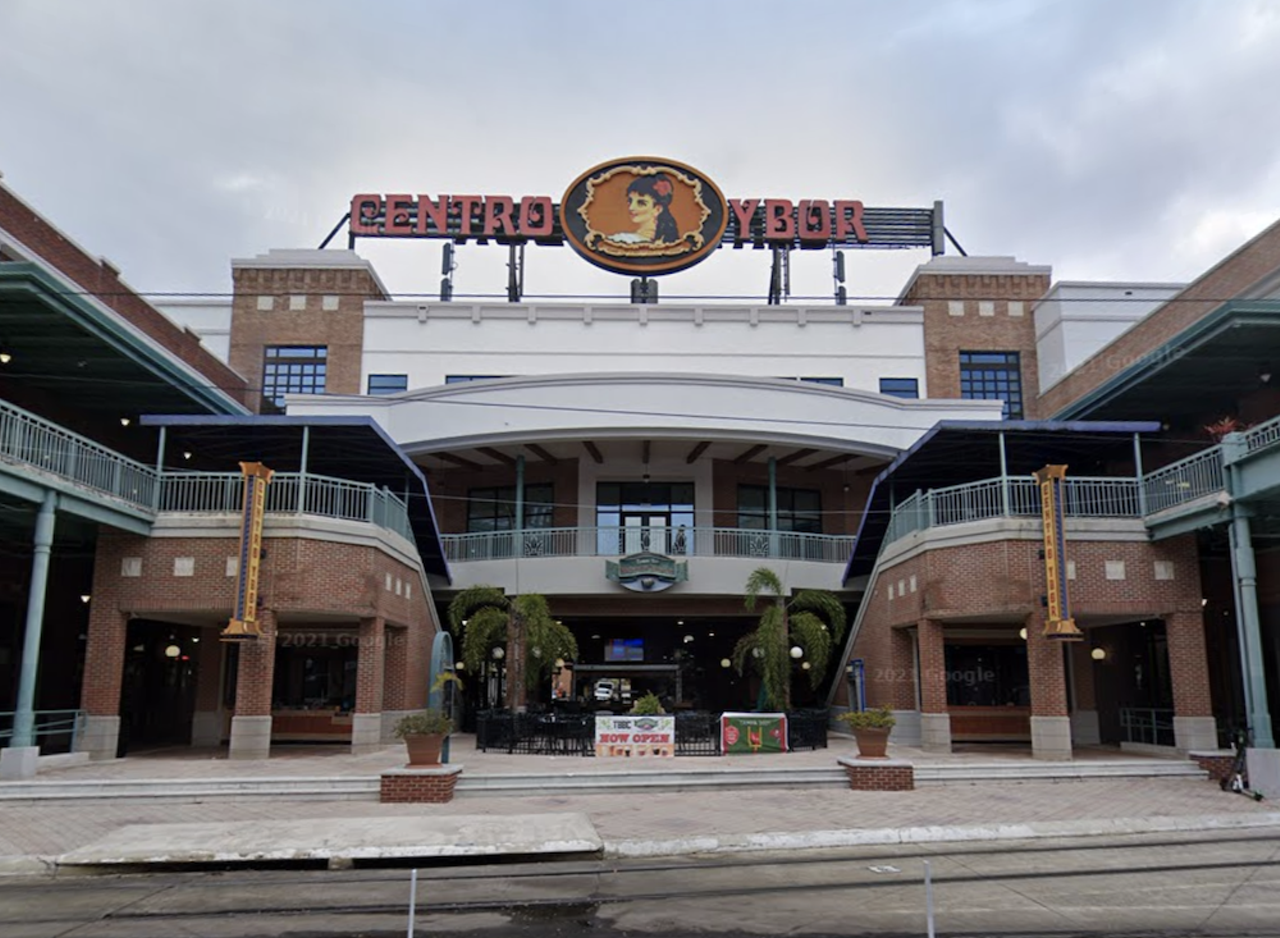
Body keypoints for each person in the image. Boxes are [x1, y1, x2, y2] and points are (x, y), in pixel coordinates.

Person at [608, 173, 680, 245]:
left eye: (641, 203)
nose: (631, 208)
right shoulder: (619, 240)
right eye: (630, 201)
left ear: (657, 209)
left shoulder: (669, 242)